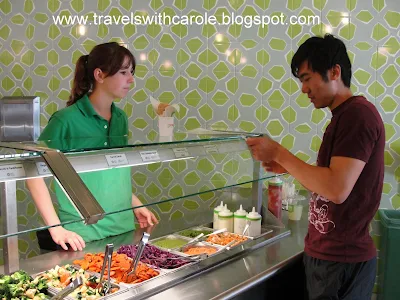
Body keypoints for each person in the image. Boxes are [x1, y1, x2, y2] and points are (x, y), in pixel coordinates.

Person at [246, 34, 384, 300]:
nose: (303, 89)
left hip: (342, 261)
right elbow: (331, 180)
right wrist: (287, 167)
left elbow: (336, 188)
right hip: (330, 256)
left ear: (334, 72)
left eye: (307, 78)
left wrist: (279, 152)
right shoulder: (343, 117)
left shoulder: (357, 115)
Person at [27, 42, 158, 252]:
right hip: (83, 236)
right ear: (99, 75)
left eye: (131, 72)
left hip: (124, 229)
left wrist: (134, 203)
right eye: (123, 72)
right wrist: (56, 228)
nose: (131, 80)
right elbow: (32, 170)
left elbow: (113, 170)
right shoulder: (65, 120)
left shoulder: (120, 118)